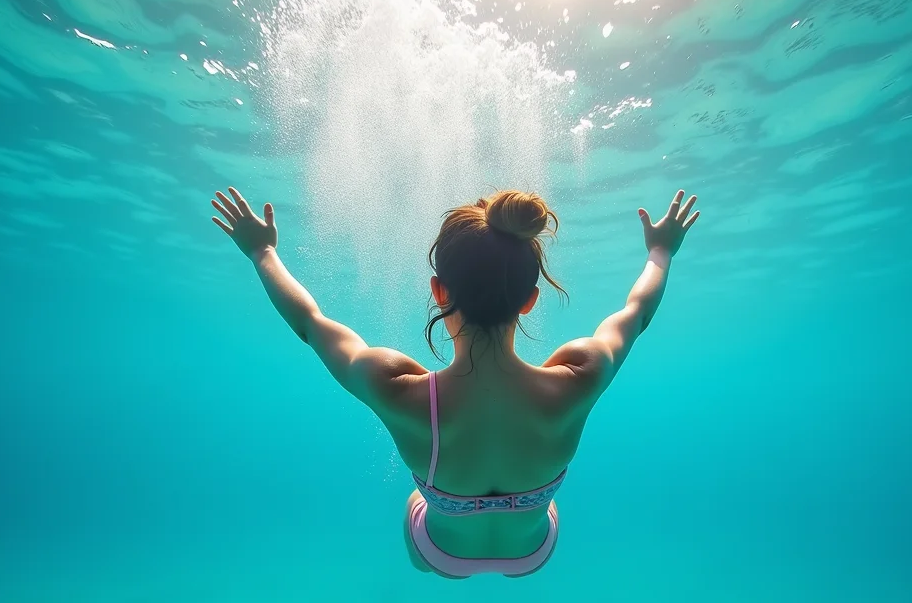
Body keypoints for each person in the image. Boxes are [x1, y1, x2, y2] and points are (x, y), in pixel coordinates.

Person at [210, 186, 700, 579]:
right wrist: (661, 251)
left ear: (439, 291)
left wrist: (262, 252)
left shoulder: (394, 387)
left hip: (440, 554)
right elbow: (636, 315)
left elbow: (310, 324)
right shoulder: (580, 375)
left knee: (416, 502)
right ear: (530, 299)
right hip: (533, 553)